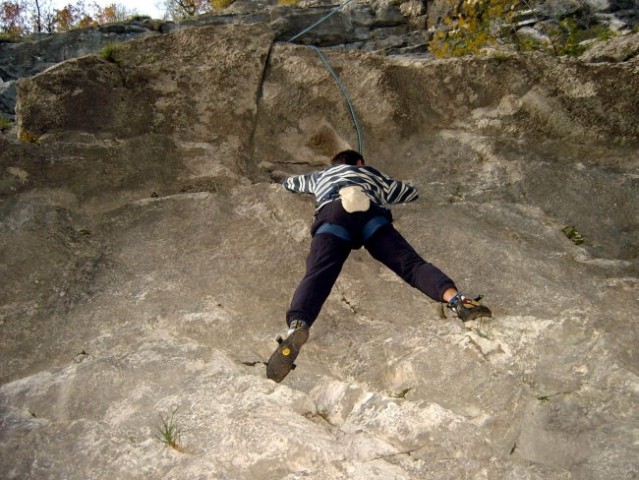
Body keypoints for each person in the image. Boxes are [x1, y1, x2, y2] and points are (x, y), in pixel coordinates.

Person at [266, 150, 491, 382]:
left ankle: (296, 328)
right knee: (412, 266)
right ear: (360, 162)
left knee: (318, 275)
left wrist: (280, 178)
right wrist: (379, 181)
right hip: (370, 217)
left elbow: (291, 183)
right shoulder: (372, 173)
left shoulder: (323, 175)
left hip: (333, 216)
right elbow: (408, 192)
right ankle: (459, 301)